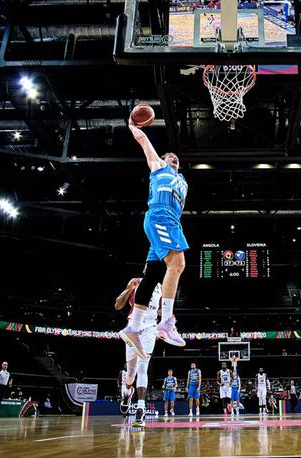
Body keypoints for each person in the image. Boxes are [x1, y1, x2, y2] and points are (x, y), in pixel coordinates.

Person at [120, 117, 188, 358]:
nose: (173, 159)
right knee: (178, 264)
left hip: (169, 223)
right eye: (170, 157)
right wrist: (133, 127)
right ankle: (166, 322)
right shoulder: (159, 167)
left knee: (152, 277)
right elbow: (143, 140)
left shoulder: (182, 182)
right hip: (161, 219)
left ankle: (134, 327)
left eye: (176, 159)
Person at [115, 275, 162, 427]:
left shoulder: (160, 286)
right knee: (130, 373)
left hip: (150, 328)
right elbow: (118, 305)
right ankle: (127, 393)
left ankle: (140, 409)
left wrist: (162, 325)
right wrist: (129, 289)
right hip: (134, 326)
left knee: (143, 368)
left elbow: (161, 311)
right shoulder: (135, 281)